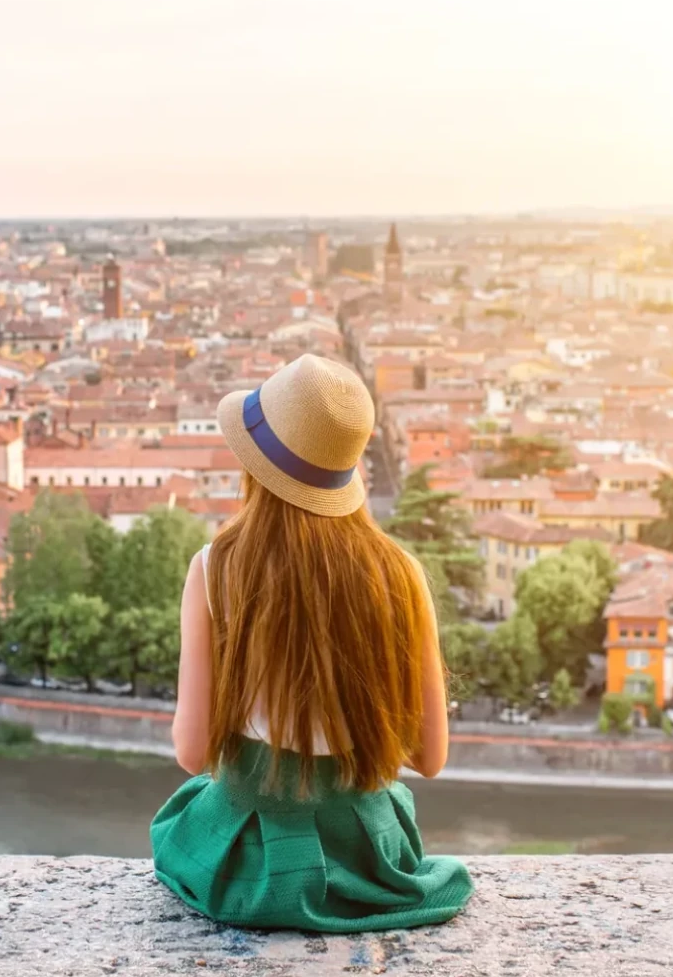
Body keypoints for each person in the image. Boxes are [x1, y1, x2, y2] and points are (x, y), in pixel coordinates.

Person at [150, 354, 473, 932]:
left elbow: (192, 754)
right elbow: (430, 757)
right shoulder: (401, 574)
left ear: (255, 468)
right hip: (368, 859)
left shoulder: (213, 569)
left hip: (250, 861)